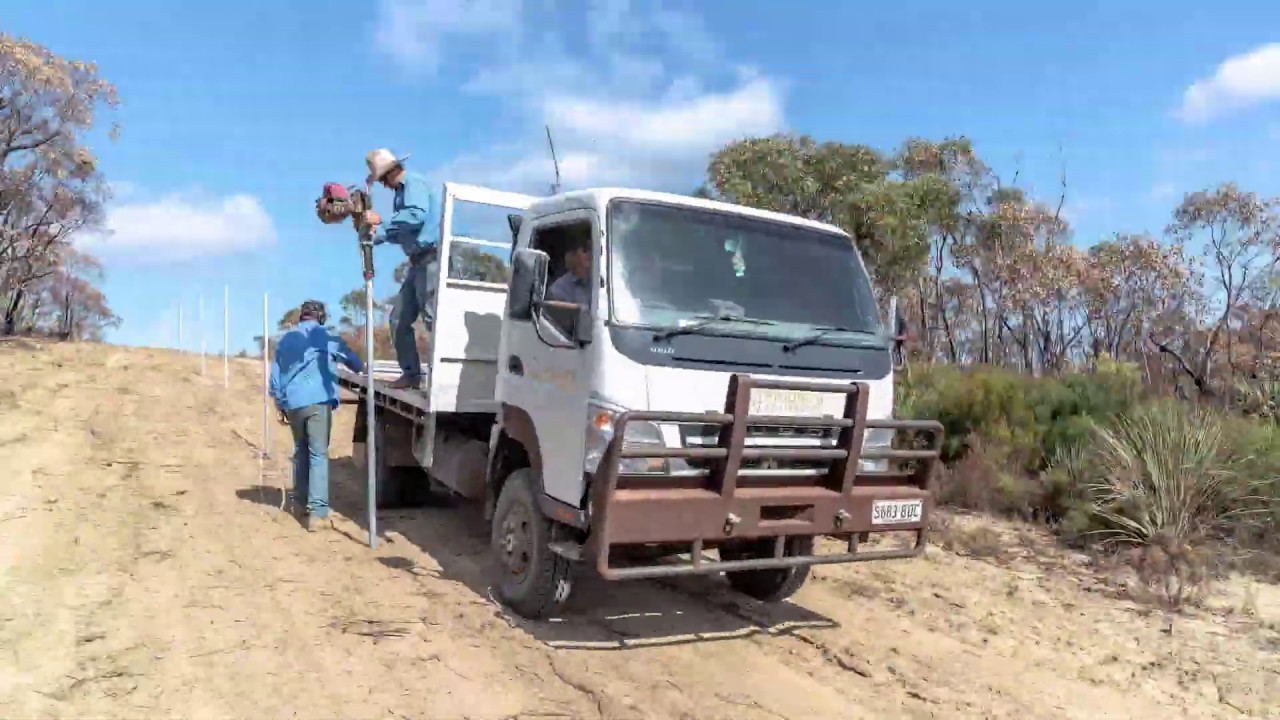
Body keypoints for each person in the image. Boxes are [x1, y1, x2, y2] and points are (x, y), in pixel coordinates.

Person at [270, 300, 364, 532]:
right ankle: (318, 513)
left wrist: (280, 403)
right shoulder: (329, 339)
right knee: (318, 454)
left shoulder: (286, 339)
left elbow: (275, 377)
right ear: (321, 318)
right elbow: (355, 364)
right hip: (318, 401)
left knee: (301, 451)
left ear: (301, 317)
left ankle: (300, 505)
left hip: (293, 403)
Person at [362, 147, 440, 389]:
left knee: (432, 317)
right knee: (398, 318)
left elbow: (416, 216)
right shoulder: (400, 194)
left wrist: (380, 223)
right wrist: (375, 235)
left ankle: (441, 377)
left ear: (392, 172)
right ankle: (411, 374)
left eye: (383, 179)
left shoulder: (413, 184)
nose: (384, 185)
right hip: (418, 263)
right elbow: (401, 230)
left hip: (432, 259)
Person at [546, 233, 592, 307]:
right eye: (585, 250)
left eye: (593, 251)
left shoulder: (605, 284)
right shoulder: (558, 289)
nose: (590, 254)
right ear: (574, 255)